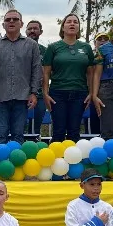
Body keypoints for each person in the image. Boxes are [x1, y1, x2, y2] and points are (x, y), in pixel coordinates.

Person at [0, 10, 42, 144]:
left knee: (18, 136)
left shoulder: (32, 45)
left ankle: (16, 159)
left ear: (21, 24)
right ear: (3, 24)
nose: (11, 21)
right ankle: (0, 158)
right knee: (0, 136)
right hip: (0, 99)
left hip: (22, 98)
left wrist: (34, 93)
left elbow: (36, 70)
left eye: (15, 19)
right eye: (8, 19)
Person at [42, 14, 94, 142]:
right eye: (69, 22)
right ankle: (56, 155)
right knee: (58, 131)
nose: (72, 24)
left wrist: (91, 93)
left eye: (75, 22)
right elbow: (46, 73)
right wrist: (45, 94)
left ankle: (74, 155)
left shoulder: (86, 48)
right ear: (63, 27)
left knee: (74, 131)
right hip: (57, 93)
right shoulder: (53, 47)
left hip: (80, 93)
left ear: (78, 27)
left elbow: (90, 73)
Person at [25, 20, 47, 136]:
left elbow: (49, 73)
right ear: (26, 31)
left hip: (40, 95)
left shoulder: (45, 50)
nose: (32, 31)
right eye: (30, 29)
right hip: (21, 94)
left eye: (35, 28)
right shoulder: (19, 47)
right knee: (18, 127)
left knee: (35, 129)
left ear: (41, 32)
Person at [86, 32, 110, 136]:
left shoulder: (112, 56)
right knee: (93, 123)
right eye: (100, 39)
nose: (103, 41)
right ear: (95, 43)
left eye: (105, 39)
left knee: (109, 124)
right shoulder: (89, 57)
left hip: (109, 93)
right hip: (92, 94)